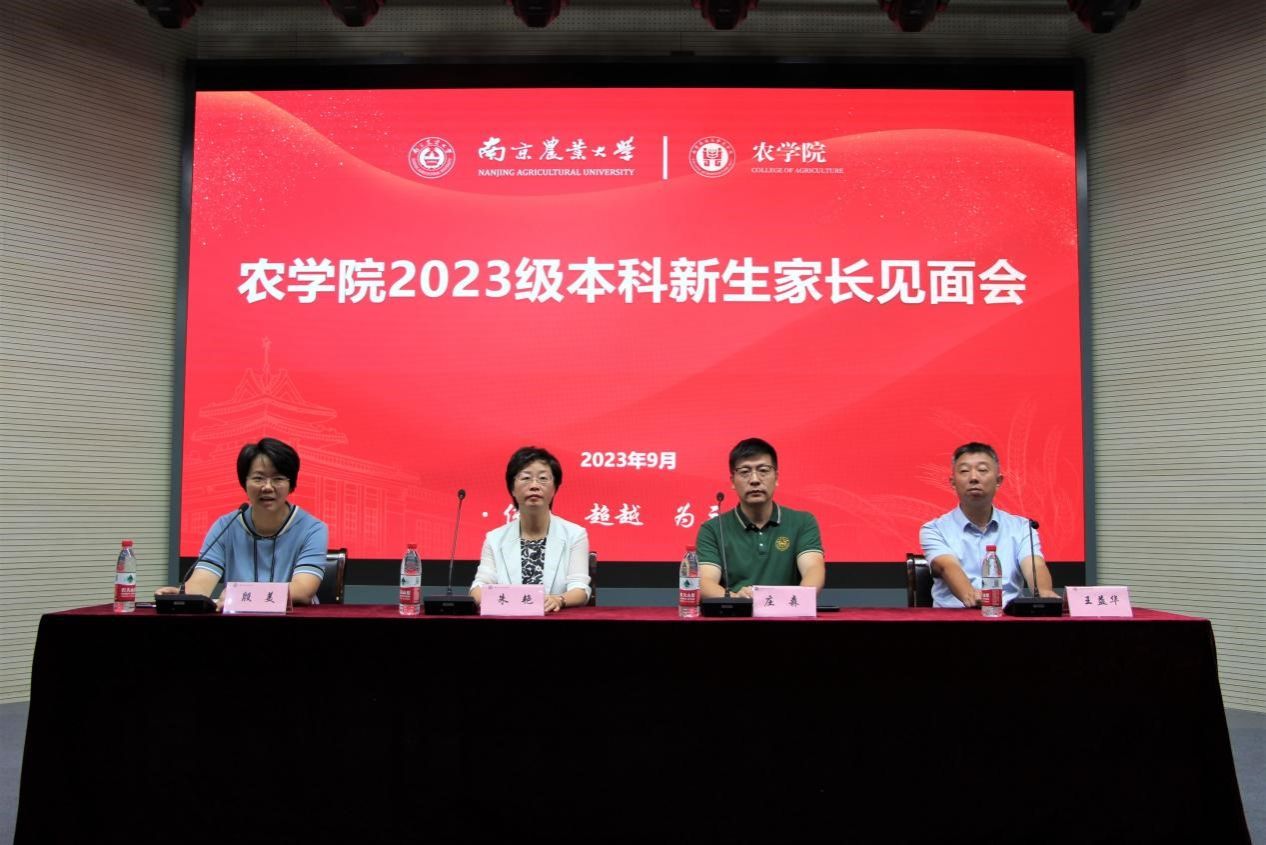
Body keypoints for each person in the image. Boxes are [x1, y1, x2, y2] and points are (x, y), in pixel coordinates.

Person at [157, 437, 328, 605]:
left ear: (291, 485)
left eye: (278, 479)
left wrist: (240, 596)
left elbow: (302, 591)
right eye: (258, 478)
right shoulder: (225, 527)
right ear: (244, 482)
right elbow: (202, 582)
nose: (267, 487)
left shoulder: (312, 529)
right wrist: (184, 595)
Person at [919, 441, 1060, 608]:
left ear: (998, 480)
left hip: (1008, 615)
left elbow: (1034, 565)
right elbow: (947, 566)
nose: (973, 478)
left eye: (982, 470)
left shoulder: (1023, 528)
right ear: (953, 482)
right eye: (964, 471)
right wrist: (970, 595)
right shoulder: (934, 529)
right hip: (955, 617)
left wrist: (1044, 593)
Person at [696, 438, 825, 599]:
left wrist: (791, 600)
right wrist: (737, 599)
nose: (755, 480)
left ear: (776, 477)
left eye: (763, 470)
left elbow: (813, 569)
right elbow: (705, 581)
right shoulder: (713, 529)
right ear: (733, 481)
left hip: (787, 612)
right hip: (736, 612)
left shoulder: (803, 522)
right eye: (744, 472)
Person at [471, 446, 591, 612]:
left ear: (554, 488)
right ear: (512, 489)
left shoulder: (574, 534)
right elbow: (479, 586)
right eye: (526, 478)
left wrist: (558, 600)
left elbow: (581, 589)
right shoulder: (495, 538)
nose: (534, 485)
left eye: (543, 478)